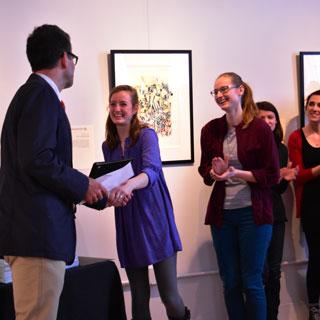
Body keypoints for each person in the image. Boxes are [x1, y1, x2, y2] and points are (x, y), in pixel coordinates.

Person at [0, 24, 107, 320]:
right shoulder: (40, 95)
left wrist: (91, 191)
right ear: (64, 58)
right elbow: (37, 159)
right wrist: (83, 184)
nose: (73, 65)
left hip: (31, 234)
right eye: (73, 59)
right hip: (38, 237)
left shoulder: (33, 94)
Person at [102, 85, 190, 320]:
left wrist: (128, 185)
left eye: (123, 104)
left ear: (135, 109)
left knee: (169, 297)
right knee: (138, 297)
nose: (117, 109)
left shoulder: (146, 135)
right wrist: (112, 195)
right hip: (128, 221)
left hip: (154, 219)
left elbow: (152, 171)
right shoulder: (107, 145)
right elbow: (112, 182)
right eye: (113, 104)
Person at [198, 72, 280, 320]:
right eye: (216, 92)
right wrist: (214, 171)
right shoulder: (211, 130)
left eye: (225, 89)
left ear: (241, 90)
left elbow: (272, 175)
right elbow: (204, 171)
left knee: (252, 281)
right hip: (223, 216)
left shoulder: (259, 129)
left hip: (253, 215)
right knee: (230, 281)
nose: (220, 95)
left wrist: (237, 172)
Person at [257, 101, 298, 320]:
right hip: (254, 216)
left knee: (274, 272)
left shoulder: (281, 148)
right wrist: (278, 176)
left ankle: (272, 316)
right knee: (259, 273)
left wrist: (286, 177)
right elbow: (254, 182)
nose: (267, 121)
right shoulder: (250, 147)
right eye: (261, 117)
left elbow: (278, 188)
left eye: (270, 117)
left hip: (276, 215)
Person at [288, 90, 320, 320]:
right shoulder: (296, 138)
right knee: (317, 256)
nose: (315, 108)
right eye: (312, 104)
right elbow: (297, 175)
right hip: (312, 205)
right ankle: (314, 308)